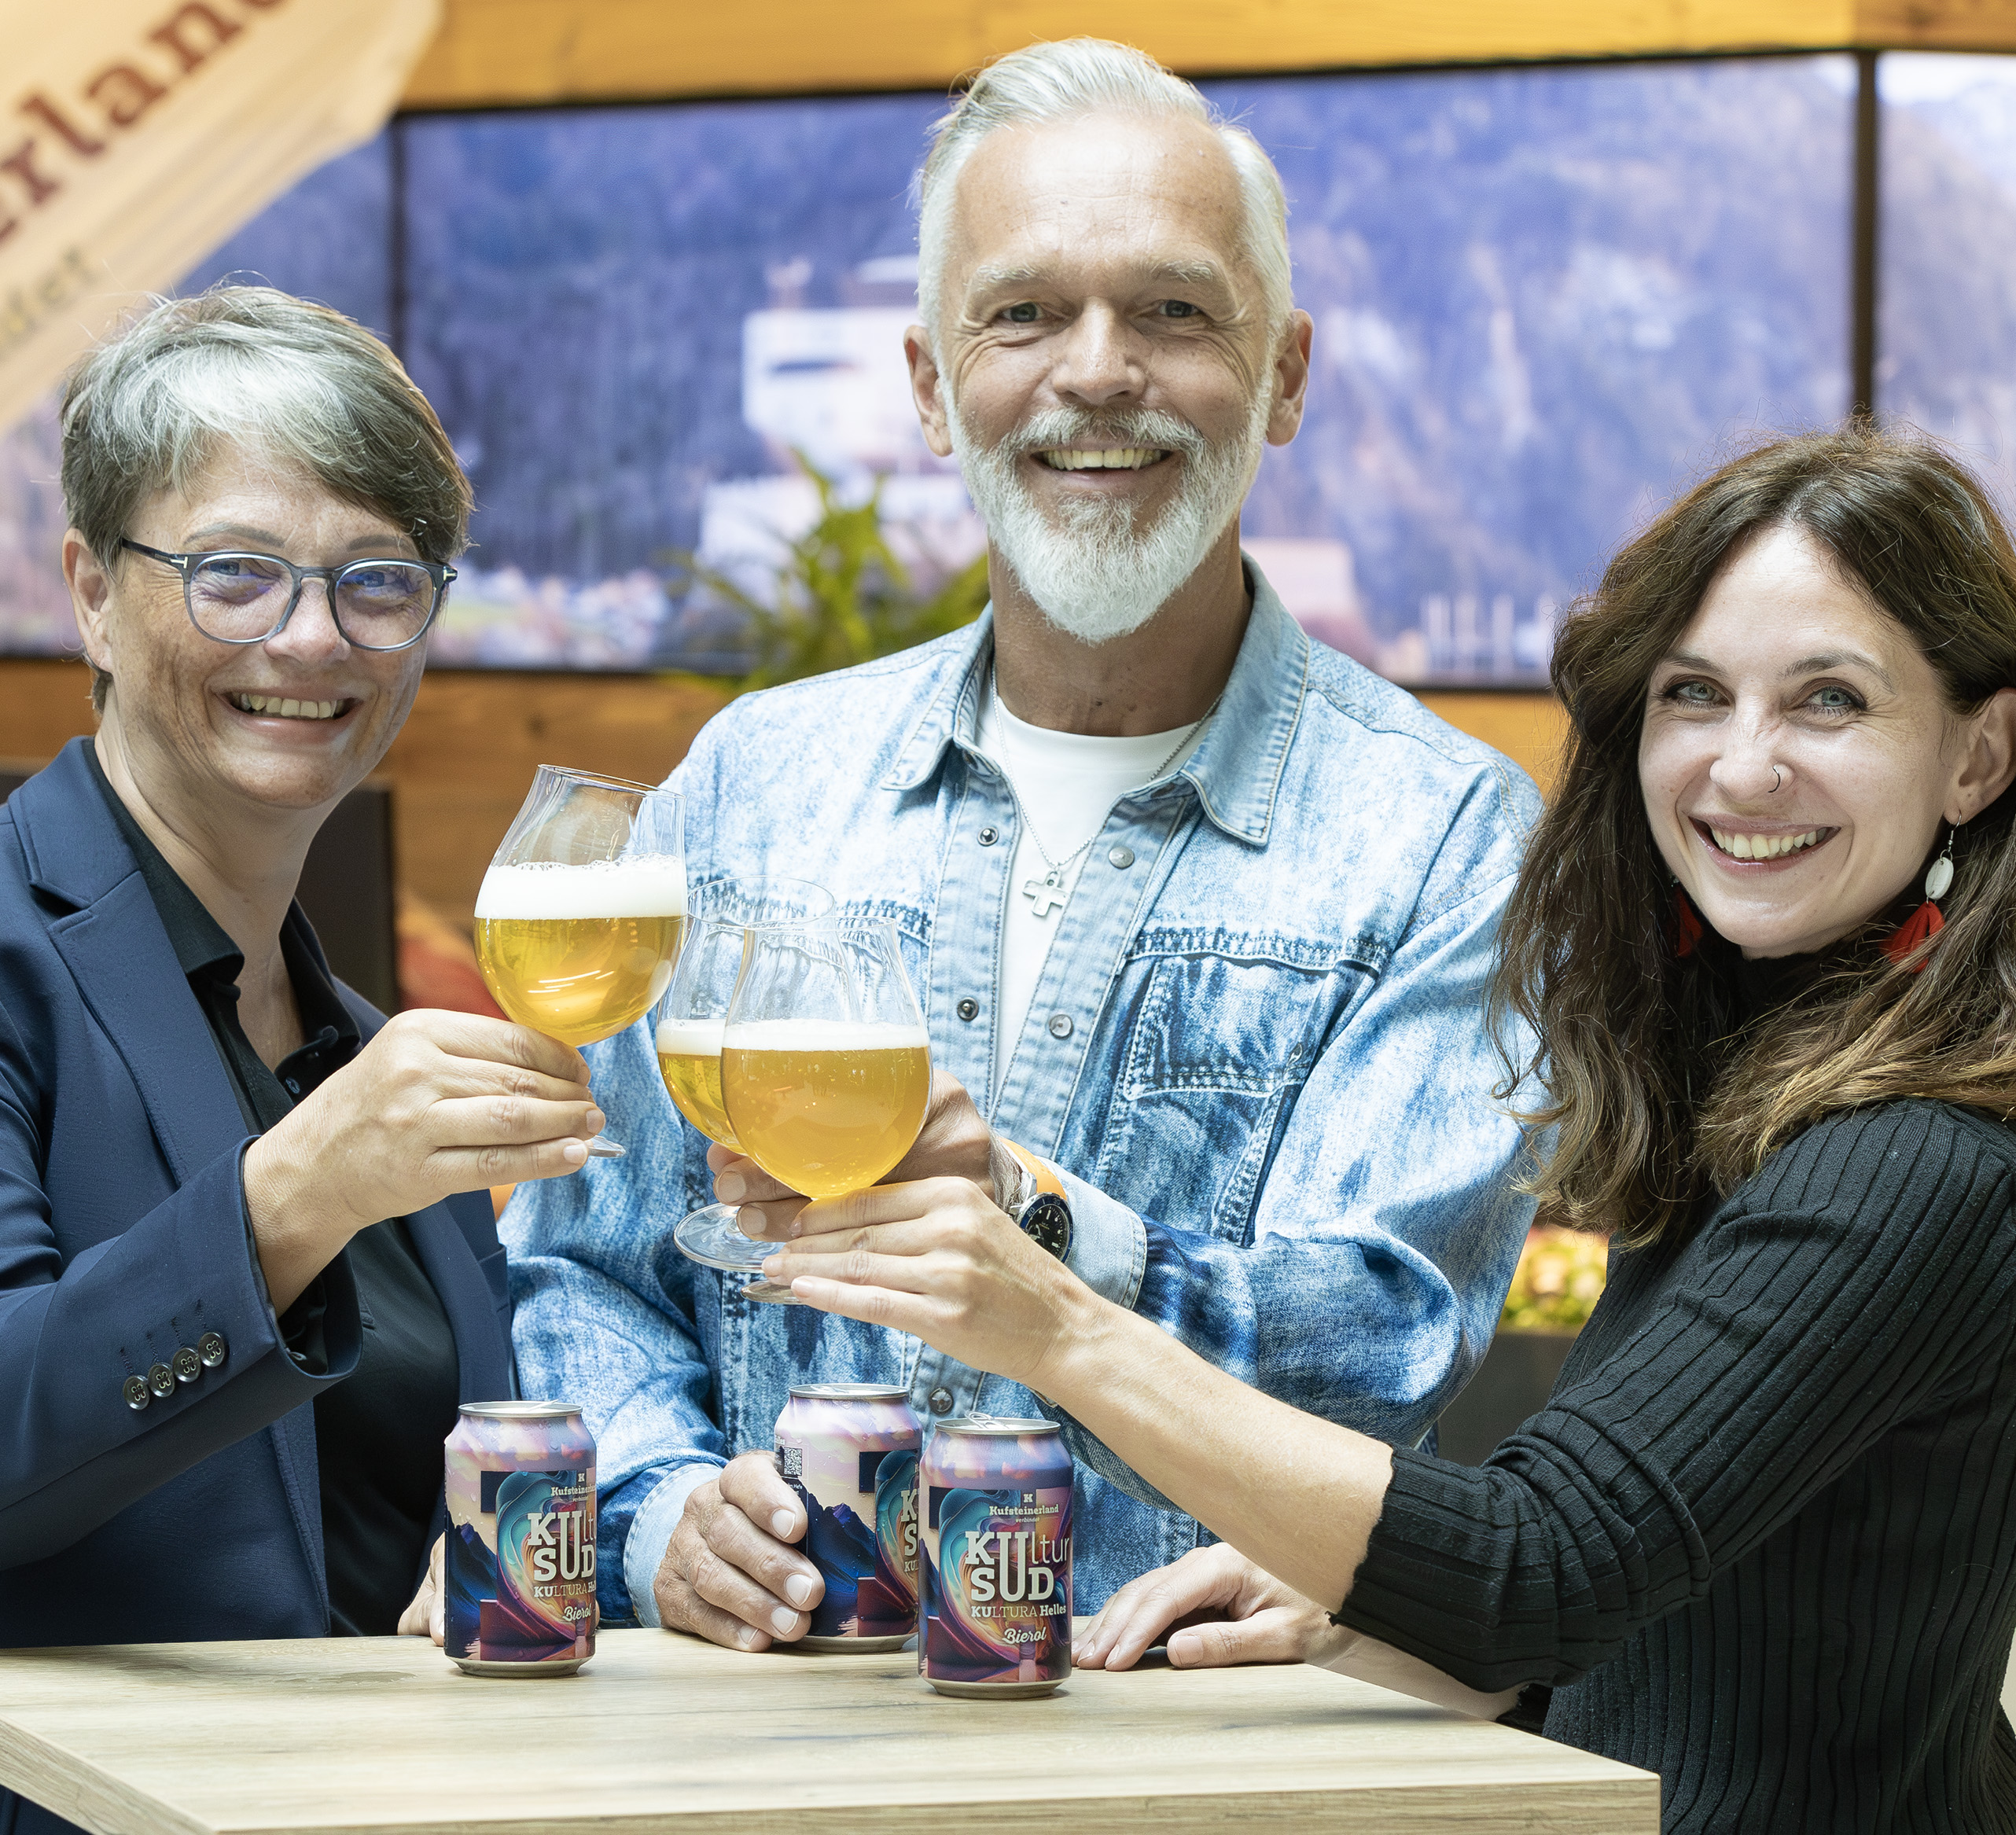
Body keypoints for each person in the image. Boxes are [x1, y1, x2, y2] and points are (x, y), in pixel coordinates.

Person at [771, 426, 2016, 1833]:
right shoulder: (1767, 1111)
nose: (1745, 767)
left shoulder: (1915, 1159)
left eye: (1829, 701)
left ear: (1981, 755)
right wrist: (1365, 1618)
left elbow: (1543, 1566)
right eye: (1696, 693)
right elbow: (1686, 1637)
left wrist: (1055, 1325)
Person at [498, 38, 1542, 1653]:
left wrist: (1039, 1230)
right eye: (1024, 312)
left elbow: (1389, 1342)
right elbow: (591, 1259)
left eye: (1175, 311)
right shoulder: (749, 786)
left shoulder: (1448, 836)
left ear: (1282, 375)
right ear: (930, 383)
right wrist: (652, 1511)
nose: (1098, 369)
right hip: (761, 1756)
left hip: (1186, 1765)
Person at [0, 288, 605, 1834]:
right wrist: (292, 1192)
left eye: (380, 581)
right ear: (92, 592)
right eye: (236, 573)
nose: (313, 638)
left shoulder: (366, 1056)